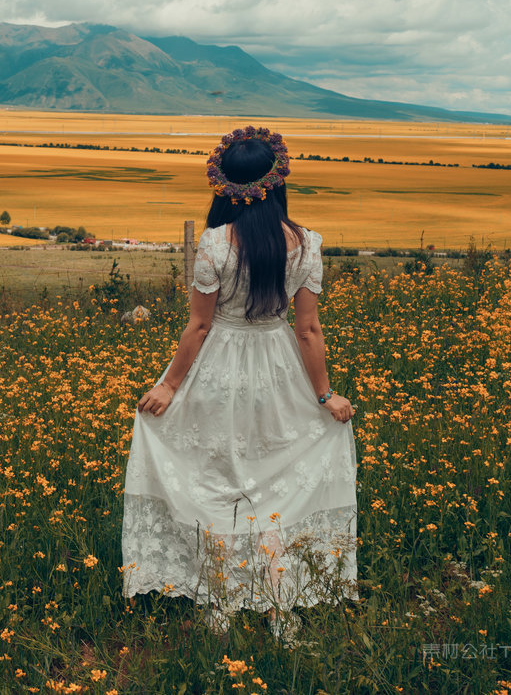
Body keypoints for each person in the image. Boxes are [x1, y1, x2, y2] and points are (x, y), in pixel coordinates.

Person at [121, 125, 359, 640]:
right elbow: (308, 330)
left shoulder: (214, 245)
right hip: (279, 370)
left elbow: (200, 326)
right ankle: (280, 604)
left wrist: (169, 386)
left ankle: (222, 601)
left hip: (219, 369)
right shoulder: (305, 244)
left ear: (226, 188)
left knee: (217, 477)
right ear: (277, 184)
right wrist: (324, 395)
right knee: (274, 479)